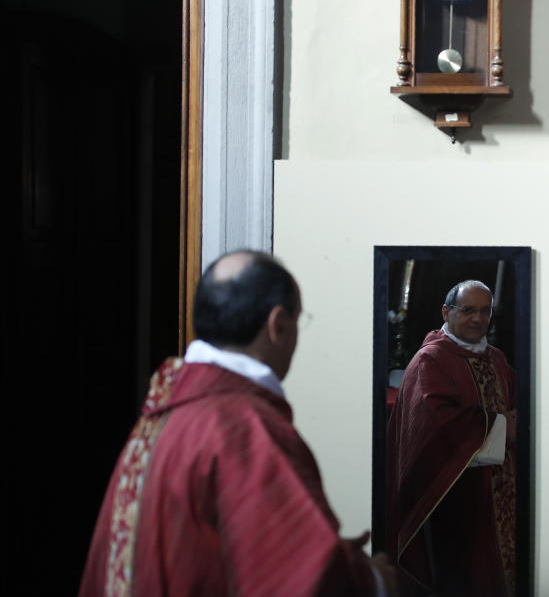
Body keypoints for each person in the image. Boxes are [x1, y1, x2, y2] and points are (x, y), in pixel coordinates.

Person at [80, 250, 396, 597]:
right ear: (278, 325)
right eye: (298, 321)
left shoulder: (163, 417)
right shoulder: (244, 427)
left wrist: (325, 549)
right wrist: (374, 580)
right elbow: (305, 583)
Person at [386, 280, 517, 597]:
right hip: (452, 495)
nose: (477, 318)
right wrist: (502, 427)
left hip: (500, 490)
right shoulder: (430, 360)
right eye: (468, 310)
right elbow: (435, 423)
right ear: (446, 311)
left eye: (485, 311)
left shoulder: (497, 359)